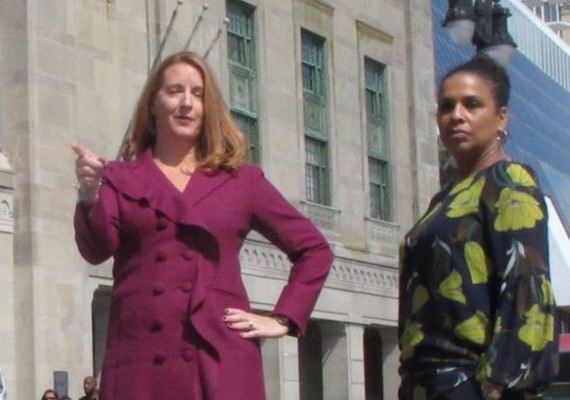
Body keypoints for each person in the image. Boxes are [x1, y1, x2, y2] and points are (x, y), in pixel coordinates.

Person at [72, 51, 333, 400]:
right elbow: (96, 249)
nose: (186, 103)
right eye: (174, 91)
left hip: (218, 358)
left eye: (197, 94)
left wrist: (282, 319)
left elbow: (314, 249)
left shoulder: (241, 180)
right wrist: (89, 195)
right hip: (139, 363)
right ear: (153, 104)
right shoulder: (121, 177)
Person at [398, 55, 559, 400]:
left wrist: (498, 383)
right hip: (425, 383)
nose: (456, 115)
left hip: (471, 381)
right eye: (446, 106)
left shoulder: (509, 181)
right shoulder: (445, 198)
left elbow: (526, 283)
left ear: (501, 117)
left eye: (472, 104)